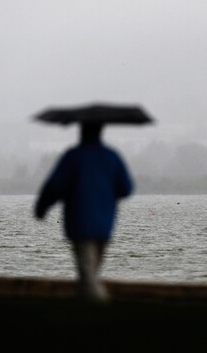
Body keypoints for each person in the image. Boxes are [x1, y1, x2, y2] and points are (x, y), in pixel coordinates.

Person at [34, 122, 133, 302]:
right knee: (90, 271)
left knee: (87, 274)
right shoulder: (111, 157)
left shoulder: (74, 157)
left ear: (81, 132)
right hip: (105, 224)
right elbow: (126, 188)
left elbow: (55, 186)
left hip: (80, 224)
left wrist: (41, 207)